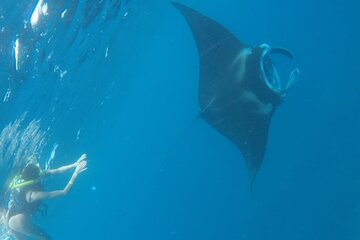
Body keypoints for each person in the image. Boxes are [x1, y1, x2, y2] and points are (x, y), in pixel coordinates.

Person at [5, 154, 88, 240]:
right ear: (34, 178)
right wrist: (76, 173)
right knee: (46, 238)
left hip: (11, 213)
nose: (42, 172)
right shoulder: (32, 194)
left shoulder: (25, 177)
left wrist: (74, 164)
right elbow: (64, 192)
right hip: (18, 221)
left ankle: (8, 232)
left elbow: (58, 170)